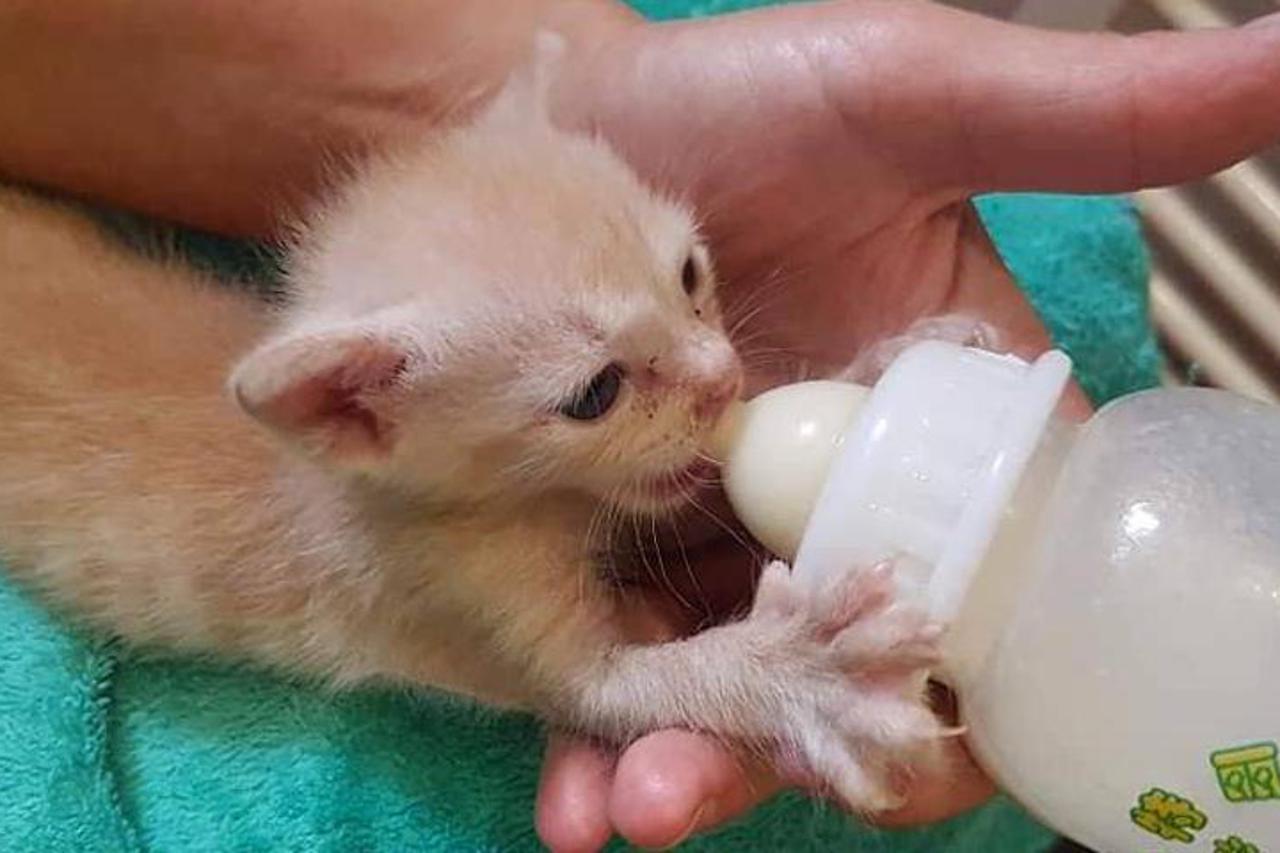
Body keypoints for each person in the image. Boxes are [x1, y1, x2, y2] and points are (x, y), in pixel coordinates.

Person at [3, 1, 1277, 849]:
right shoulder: (407, 520)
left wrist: (881, 401)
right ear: (356, 415)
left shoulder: (508, 392)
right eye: (596, 393)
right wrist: (791, 667)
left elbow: (707, 399)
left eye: (687, 273)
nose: (717, 368)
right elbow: (597, 679)